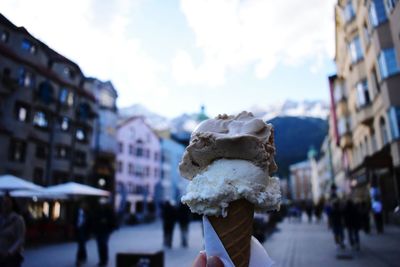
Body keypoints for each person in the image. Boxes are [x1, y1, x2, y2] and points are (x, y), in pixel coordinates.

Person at [0, 194, 26, 267]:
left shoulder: (18, 219)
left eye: (7, 202)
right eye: (3, 202)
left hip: (12, 257)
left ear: (12, 203)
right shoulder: (1, 218)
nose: (5, 204)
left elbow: (20, 239)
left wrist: (9, 252)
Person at [93, 198, 117, 267]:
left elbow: (113, 219)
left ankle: (105, 260)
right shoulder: (97, 210)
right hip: (98, 230)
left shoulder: (109, 210)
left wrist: (107, 222)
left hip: (106, 230)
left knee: (103, 244)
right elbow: (94, 219)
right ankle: (101, 260)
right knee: (100, 245)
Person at [74, 201, 91, 267]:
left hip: (84, 230)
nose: (83, 206)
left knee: (81, 245)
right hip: (78, 230)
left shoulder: (88, 213)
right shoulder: (77, 212)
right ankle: (83, 256)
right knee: (81, 244)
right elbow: (74, 220)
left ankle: (79, 259)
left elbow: (90, 223)